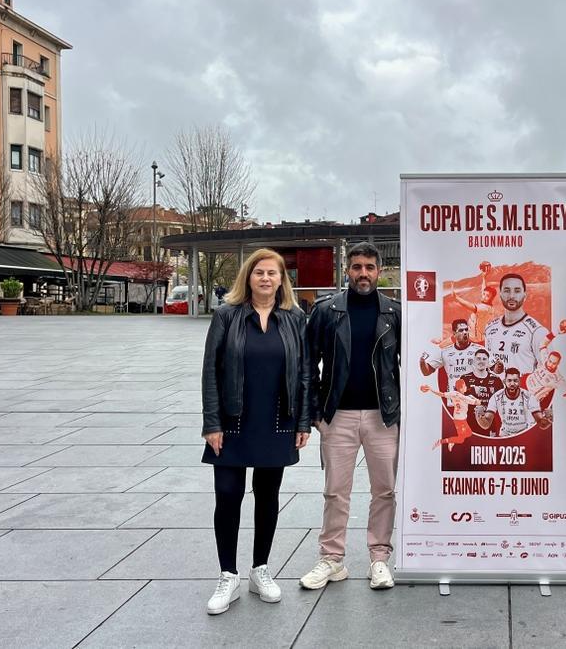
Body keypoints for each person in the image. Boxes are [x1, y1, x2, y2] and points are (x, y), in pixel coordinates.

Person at [201, 248, 311, 615]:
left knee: (267, 496)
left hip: (277, 420)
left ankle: (260, 570)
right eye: (259, 273)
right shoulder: (226, 316)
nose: (266, 279)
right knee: (228, 495)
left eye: (272, 273)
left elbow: (307, 373)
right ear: (248, 277)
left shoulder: (295, 318)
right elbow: (211, 373)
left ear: (282, 279)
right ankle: (227, 574)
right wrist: (212, 423)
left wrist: (303, 421)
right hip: (233, 422)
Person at [301, 242, 401, 591]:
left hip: (382, 417)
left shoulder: (393, 312)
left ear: (378, 271)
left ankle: (379, 559)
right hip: (337, 415)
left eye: (369, 267)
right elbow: (307, 363)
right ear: (347, 269)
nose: (363, 274)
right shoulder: (327, 311)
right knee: (335, 492)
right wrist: (314, 412)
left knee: (384, 491)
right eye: (356, 267)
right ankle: (331, 559)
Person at [483, 272, 551, 375]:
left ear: (525, 295)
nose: (511, 296)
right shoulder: (489, 328)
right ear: (500, 294)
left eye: (517, 291)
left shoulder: (537, 332)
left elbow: (549, 373)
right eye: (507, 290)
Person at [480, 368, 551, 437]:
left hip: (523, 435)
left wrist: (548, 419)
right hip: (505, 436)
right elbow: (486, 425)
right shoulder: (496, 397)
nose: (512, 384)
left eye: (515, 380)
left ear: (519, 381)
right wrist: (479, 417)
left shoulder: (529, 397)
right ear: (504, 381)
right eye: (509, 381)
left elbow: (541, 423)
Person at [421, 380, 480, 451]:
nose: (466, 387)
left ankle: (452, 441)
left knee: (469, 433)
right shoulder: (465, 398)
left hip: (458, 417)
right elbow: (478, 403)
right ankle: (441, 441)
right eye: (465, 386)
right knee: (461, 439)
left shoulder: (453, 393)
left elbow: (442, 394)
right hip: (460, 420)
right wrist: (474, 398)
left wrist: (431, 389)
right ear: (461, 388)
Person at [525, 350, 566, 422]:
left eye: (554, 363)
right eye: (550, 361)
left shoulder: (558, 379)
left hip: (533, 395)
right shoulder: (545, 358)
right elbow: (543, 344)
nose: (550, 364)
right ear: (548, 359)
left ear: (558, 364)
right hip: (525, 382)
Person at [461, 348, 504, 429]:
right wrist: (472, 391)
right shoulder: (464, 378)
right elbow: (457, 398)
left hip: (490, 424)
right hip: (469, 424)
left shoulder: (496, 380)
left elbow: (503, 402)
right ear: (474, 361)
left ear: (488, 362)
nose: (481, 361)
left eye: (484, 359)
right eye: (478, 359)